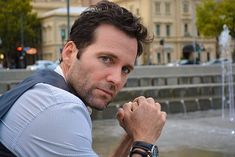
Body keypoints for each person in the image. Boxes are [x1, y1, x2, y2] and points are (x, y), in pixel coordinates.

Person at [0, 1, 166, 157]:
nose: (116, 79)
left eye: (125, 69)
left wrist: (134, 135)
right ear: (69, 53)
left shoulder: (44, 87)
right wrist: (145, 141)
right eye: (106, 59)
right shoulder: (61, 109)